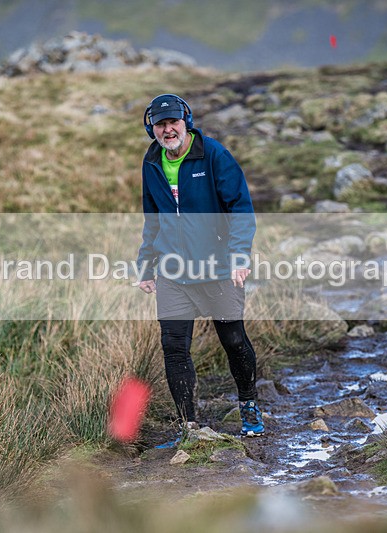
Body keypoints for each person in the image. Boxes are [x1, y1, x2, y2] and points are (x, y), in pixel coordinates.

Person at [135, 93, 264, 438]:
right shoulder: (151, 162)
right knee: (174, 347)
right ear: (152, 128)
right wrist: (146, 263)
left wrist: (239, 255)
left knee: (233, 340)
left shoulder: (214, 156)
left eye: (173, 122)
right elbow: (153, 218)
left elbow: (241, 208)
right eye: (160, 124)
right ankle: (188, 426)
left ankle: (248, 403)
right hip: (173, 272)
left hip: (218, 266)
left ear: (186, 121)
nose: (168, 129)